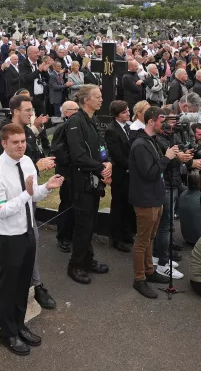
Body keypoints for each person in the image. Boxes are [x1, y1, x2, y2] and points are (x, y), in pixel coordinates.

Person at [0, 123, 63, 356]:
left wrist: (46, 188)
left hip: (28, 230)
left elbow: (33, 193)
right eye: (15, 142)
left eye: (22, 141)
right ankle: (7, 333)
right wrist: (27, 194)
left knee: (23, 285)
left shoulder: (28, 161)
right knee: (9, 287)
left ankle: (19, 325)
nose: (21, 145)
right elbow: (0, 210)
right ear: (4, 144)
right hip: (8, 236)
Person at [65, 85, 113, 284]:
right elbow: (78, 156)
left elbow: (101, 146)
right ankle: (75, 265)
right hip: (82, 182)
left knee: (90, 223)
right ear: (86, 100)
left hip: (94, 180)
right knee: (83, 225)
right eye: (98, 97)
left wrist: (107, 162)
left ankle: (87, 259)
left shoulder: (92, 121)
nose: (101, 100)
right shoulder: (75, 122)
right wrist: (101, 167)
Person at [128, 106, 176, 298]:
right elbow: (150, 173)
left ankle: (149, 271)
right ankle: (139, 279)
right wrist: (166, 158)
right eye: (161, 121)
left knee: (150, 237)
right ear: (151, 121)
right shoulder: (140, 144)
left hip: (156, 196)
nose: (163, 124)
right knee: (142, 240)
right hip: (145, 199)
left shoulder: (151, 141)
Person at [104, 100, 135, 253]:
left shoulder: (128, 127)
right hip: (120, 174)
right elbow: (117, 156)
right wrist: (133, 165)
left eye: (128, 110)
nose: (128, 113)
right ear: (116, 115)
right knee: (118, 206)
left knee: (128, 206)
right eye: (124, 112)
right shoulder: (112, 130)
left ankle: (127, 233)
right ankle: (116, 238)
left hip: (129, 174)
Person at [54, 99, 79, 252]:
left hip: (77, 173)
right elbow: (58, 151)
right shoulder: (62, 128)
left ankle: (73, 234)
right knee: (67, 204)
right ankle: (62, 237)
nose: (77, 112)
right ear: (65, 113)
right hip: (66, 173)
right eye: (74, 110)